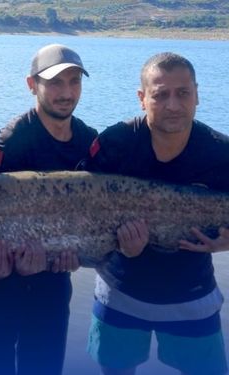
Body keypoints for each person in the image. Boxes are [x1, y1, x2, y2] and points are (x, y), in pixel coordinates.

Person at [84, 52, 229, 375]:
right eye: (160, 94)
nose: (173, 105)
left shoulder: (221, 152)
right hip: (119, 291)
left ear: (197, 95)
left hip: (191, 294)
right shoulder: (114, 143)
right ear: (142, 98)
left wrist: (225, 243)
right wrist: (117, 244)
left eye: (183, 93)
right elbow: (79, 215)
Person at [0, 44, 96, 375]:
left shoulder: (89, 141)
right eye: (55, 82)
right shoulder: (12, 141)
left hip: (53, 284)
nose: (66, 92)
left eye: (74, 82)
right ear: (31, 85)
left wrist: (79, 253)